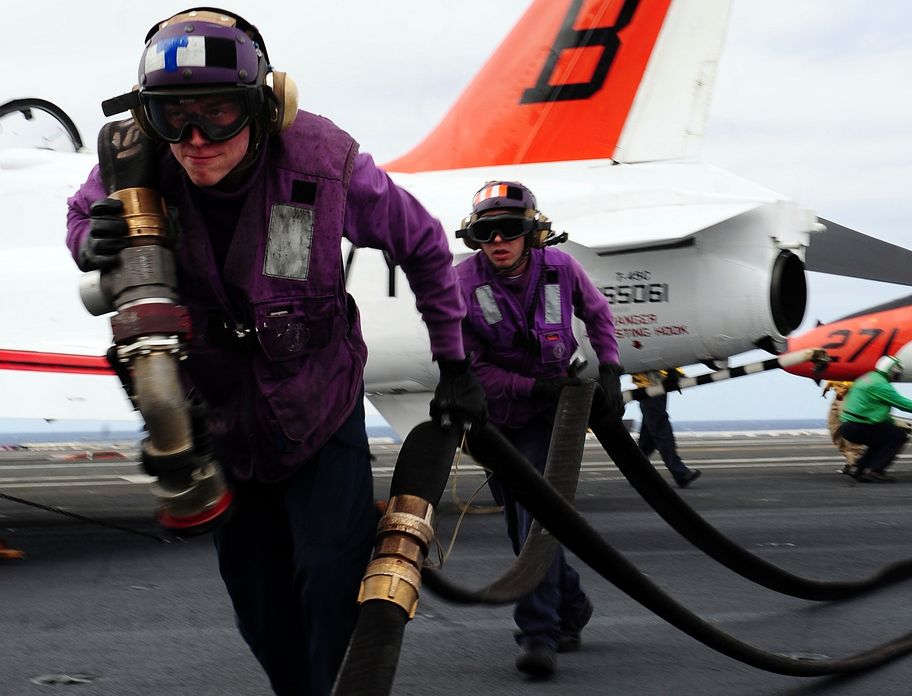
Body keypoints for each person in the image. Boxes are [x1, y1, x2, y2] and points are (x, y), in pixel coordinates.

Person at [66, 10, 485, 696]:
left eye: (219, 114)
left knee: (330, 582)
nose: (195, 140)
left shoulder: (325, 163)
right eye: (174, 118)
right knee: (261, 611)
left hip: (318, 413)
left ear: (264, 105)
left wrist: (456, 362)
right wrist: (90, 240)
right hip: (225, 425)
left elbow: (426, 246)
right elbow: (82, 218)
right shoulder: (134, 161)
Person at [454, 180, 624, 678]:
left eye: (510, 230)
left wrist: (610, 367)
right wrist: (530, 388)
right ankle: (571, 605)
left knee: (534, 524)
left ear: (532, 232)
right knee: (521, 529)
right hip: (501, 417)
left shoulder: (561, 268)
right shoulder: (462, 283)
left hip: (551, 418)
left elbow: (597, 314)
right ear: (476, 238)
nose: (499, 242)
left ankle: (538, 634)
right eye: (487, 233)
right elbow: (469, 367)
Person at [839, 355, 912, 483]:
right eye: (896, 371)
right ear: (890, 370)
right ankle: (875, 471)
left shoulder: (869, 377)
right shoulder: (881, 385)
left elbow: (874, 411)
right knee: (898, 436)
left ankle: (858, 468)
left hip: (848, 426)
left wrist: (893, 422)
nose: (897, 374)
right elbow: (902, 403)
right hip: (858, 426)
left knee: (880, 440)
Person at [632, 370, 701, 487]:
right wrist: (674, 371)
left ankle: (635, 471)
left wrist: (674, 372)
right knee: (661, 429)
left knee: (649, 434)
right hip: (650, 385)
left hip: (655, 385)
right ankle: (680, 473)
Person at [822, 380, 865, 476]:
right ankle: (853, 460)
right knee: (834, 428)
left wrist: (845, 386)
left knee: (850, 428)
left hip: (850, 393)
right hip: (838, 392)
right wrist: (829, 384)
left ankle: (855, 461)